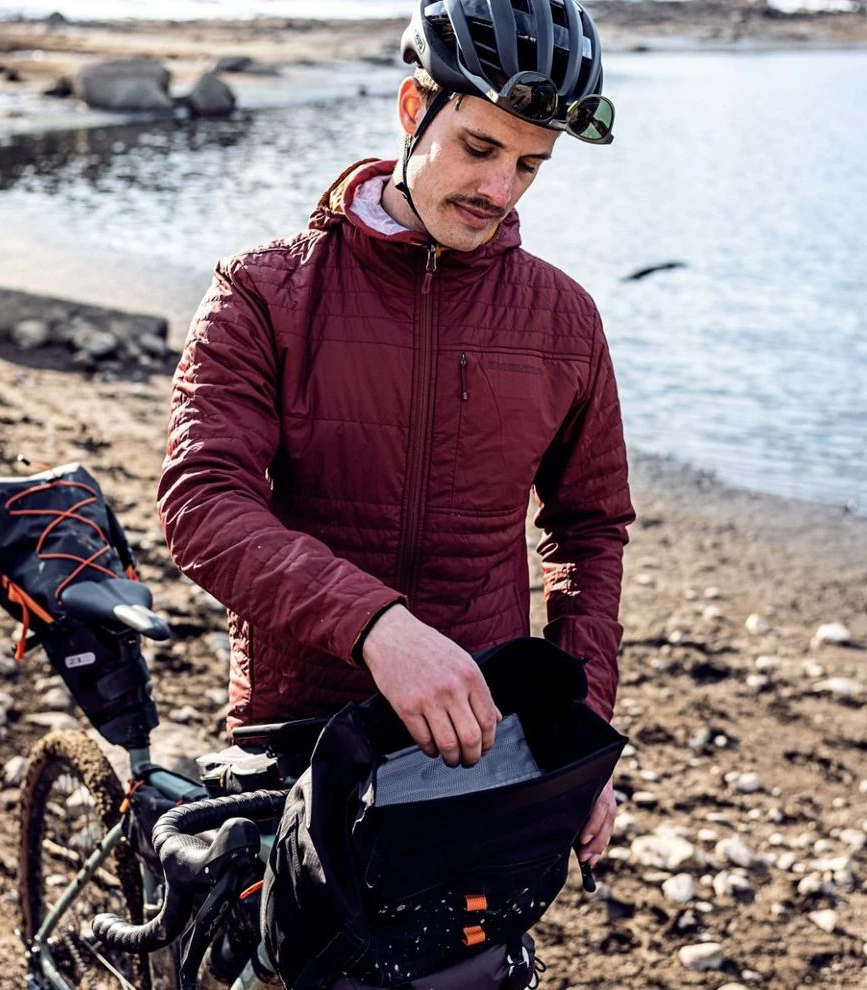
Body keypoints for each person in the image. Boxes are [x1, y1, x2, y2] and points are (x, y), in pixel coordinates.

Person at [157, 0, 634, 872]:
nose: (499, 190)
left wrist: (579, 735)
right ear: (414, 108)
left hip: (477, 741)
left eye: (530, 165)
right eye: (479, 148)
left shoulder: (566, 321)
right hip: (299, 727)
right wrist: (379, 628)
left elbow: (590, 531)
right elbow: (203, 503)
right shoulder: (264, 292)